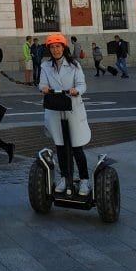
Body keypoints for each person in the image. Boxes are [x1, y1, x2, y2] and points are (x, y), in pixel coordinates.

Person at [38, 33, 91, 196]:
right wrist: (44, 88)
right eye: (52, 47)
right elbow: (42, 84)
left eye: (58, 46)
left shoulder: (74, 65)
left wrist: (77, 90)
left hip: (73, 109)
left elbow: (82, 84)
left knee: (76, 148)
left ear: (64, 48)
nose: (55, 50)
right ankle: (64, 177)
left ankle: (84, 180)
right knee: (60, 147)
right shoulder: (45, 66)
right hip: (55, 109)